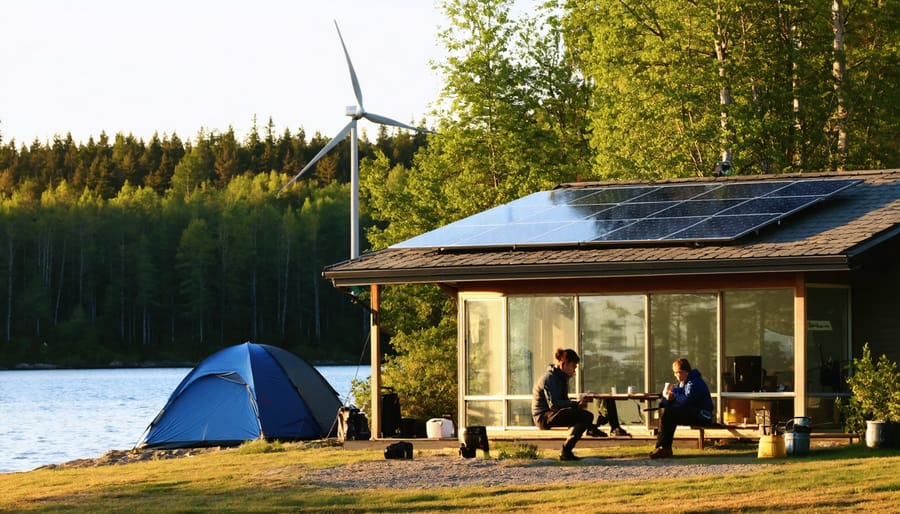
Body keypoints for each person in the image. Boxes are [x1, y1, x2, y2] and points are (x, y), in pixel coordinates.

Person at [532, 348, 629, 461]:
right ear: (564, 364)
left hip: (551, 413)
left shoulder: (561, 378)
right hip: (543, 416)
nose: (574, 370)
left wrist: (576, 403)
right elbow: (554, 404)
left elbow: (562, 401)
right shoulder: (550, 378)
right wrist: (574, 404)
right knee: (585, 416)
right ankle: (567, 450)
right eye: (573, 366)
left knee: (584, 415)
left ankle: (590, 430)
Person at [650, 357, 714, 459]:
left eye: (677, 373)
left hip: (703, 415)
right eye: (675, 373)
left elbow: (686, 401)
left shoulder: (695, 383)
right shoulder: (683, 383)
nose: (676, 375)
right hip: (693, 412)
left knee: (670, 414)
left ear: (685, 372)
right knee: (666, 412)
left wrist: (673, 397)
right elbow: (677, 397)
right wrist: (667, 397)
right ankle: (662, 447)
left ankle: (665, 448)